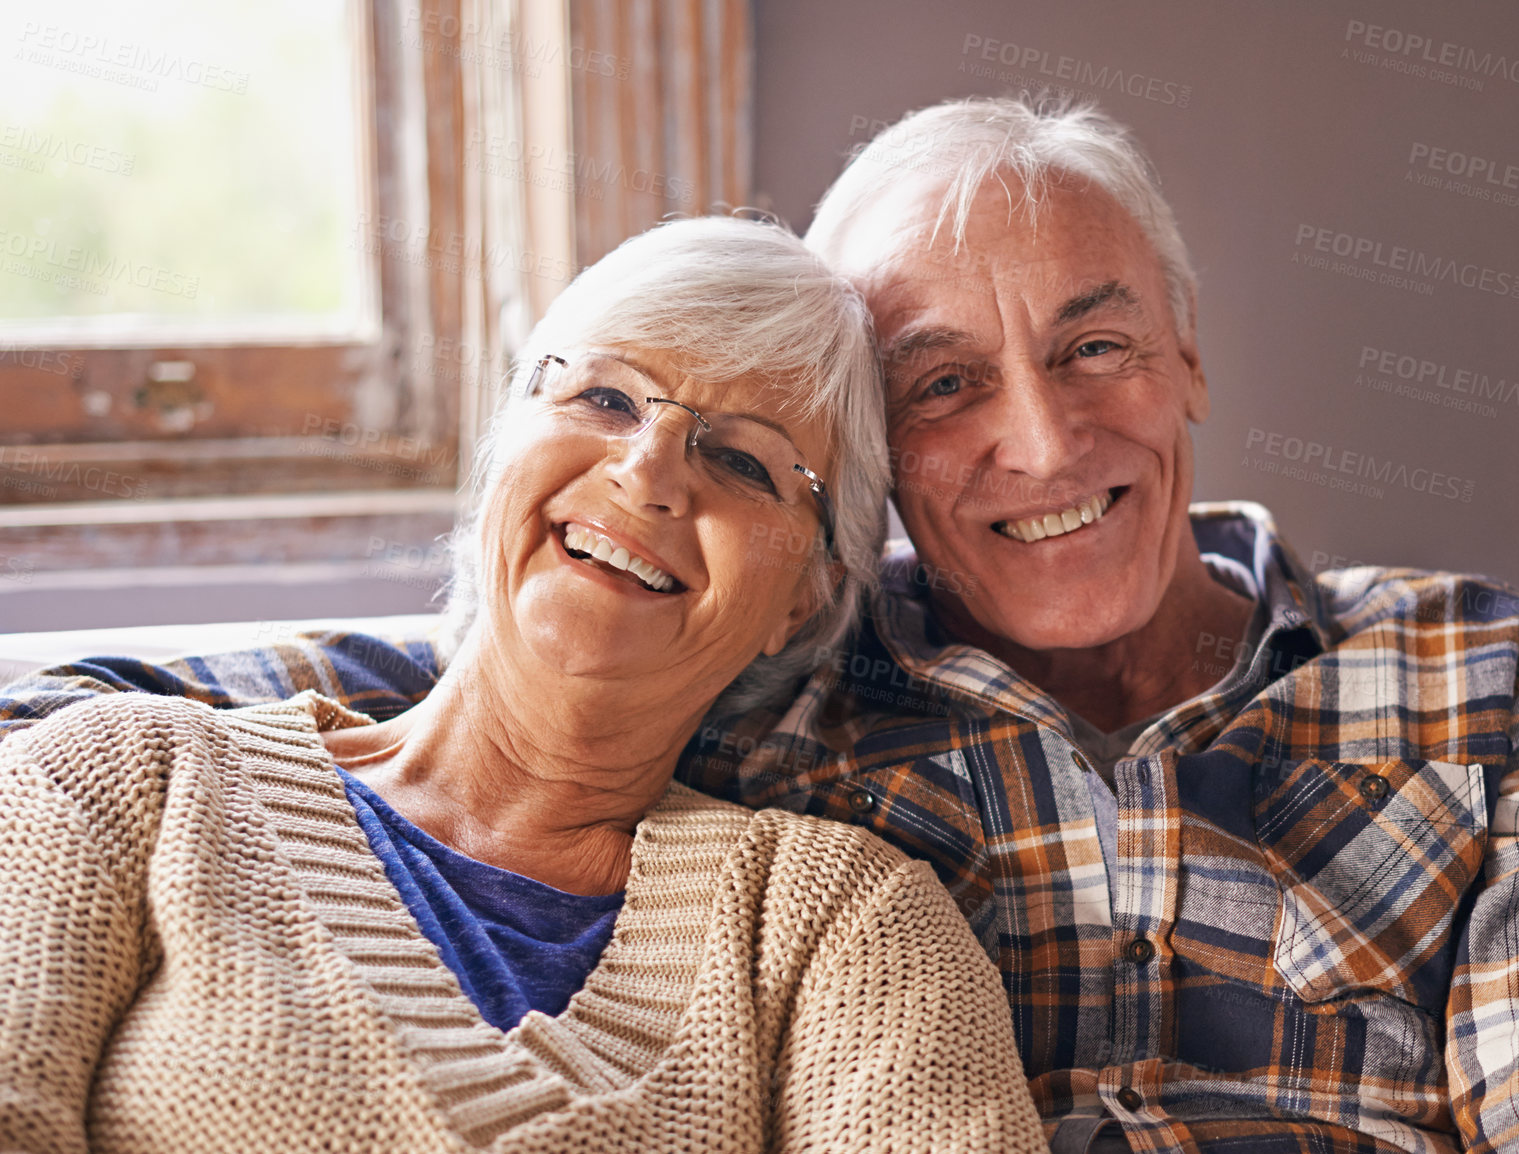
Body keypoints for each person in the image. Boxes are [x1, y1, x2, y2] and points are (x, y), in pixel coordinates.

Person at [6, 100, 1519, 1151]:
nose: (1046, 443)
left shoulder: (1477, 676)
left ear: (1191, 355)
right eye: (948, 384)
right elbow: (505, 669)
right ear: (876, 481)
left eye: (1097, 345)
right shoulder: (803, 681)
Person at [0, 216, 1046, 1154]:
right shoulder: (118, 781)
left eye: (741, 462)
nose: (647, 470)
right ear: (505, 448)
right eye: (603, 396)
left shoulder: (843, 924)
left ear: (806, 600)